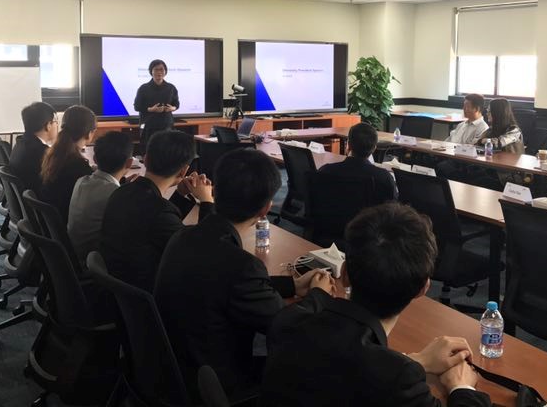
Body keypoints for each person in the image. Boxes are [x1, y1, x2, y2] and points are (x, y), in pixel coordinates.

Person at [260, 202, 491, 407]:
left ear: (344, 274)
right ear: (423, 288)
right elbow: (366, 368)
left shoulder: (287, 321)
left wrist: (415, 360)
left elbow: (343, 363)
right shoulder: (398, 379)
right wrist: (462, 387)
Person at [154, 149, 335, 398]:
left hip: (174, 369)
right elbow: (288, 328)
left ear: (215, 191)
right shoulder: (241, 265)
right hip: (217, 387)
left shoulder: (182, 236)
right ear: (266, 209)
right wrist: (318, 295)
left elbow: (227, 283)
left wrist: (292, 285)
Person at [100, 130, 212, 292]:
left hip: (121, 291)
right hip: (152, 295)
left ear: (146, 159)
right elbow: (202, 255)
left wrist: (180, 194)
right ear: (183, 171)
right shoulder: (160, 213)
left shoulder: (122, 192)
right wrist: (207, 201)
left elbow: (163, 226)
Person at [67, 131, 134, 264]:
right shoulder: (116, 195)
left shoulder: (81, 181)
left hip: (73, 256)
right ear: (129, 163)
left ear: (95, 159)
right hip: (94, 264)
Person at [40, 105, 96, 222]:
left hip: (53, 221)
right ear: (89, 133)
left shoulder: (54, 154)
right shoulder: (78, 165)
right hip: (68, 222)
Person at [318, 122, 396, 203]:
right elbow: (393, 205)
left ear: (348, 145)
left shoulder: (325, 171)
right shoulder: (384, 178)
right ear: (374, 148)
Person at [8, 101, 58, 194]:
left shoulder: (21, 142)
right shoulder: (42, 153)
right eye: (56, 122)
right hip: (38, 199)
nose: (57, 125)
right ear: (48, 125)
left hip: (25, 197)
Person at [133, 59, 179, 153]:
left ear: (165, 71)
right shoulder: (143, 88)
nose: (159, 72)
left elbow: (176, 104)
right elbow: (137, 106)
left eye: (161, 69)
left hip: (166, 125)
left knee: (167, 152)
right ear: (151, 71)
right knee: (150, 152)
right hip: (149, 126)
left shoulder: (171, 88)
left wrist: (172, 108)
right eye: (156, 69)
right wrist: (151, 109)